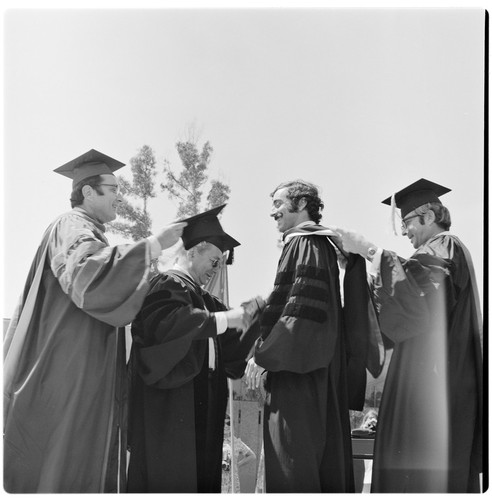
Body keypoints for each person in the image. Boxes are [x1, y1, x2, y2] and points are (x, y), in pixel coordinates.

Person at [3, 149, 186, 493]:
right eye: (113, 188)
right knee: (64, 462)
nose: (120, 196)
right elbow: (88, 275)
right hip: (67, 367)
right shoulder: (72, 224)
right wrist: (154, 245)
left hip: (78, 366)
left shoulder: (90, 230)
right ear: (89, 191)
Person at [328, 178, 483, 493]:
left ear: (428, 216)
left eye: (408, 223)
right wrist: (357, 267)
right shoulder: (434, 251)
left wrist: (370, 251)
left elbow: (419, 306)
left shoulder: (445, 246)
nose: (404, 232)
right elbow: (400, 307)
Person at [245, 179, 381, 493]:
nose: (273, 212)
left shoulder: (304, 244)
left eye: (278, 203)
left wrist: (263, 355)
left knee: (294, 464)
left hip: (298, 373)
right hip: (314, 370)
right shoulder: (318, 245)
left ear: (303, 204)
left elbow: (300, 312)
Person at [126, 205, 265, 493]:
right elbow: (167, 328)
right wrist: (225, 319)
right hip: (171, 406)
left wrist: (254, 316)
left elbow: (228, 343)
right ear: (192, 251)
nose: (215, 270)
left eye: (220, 264)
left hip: (203, 405)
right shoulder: (167, 284)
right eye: (213, 260)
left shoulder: (205, 300)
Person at [221, 415, 256, 493]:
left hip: (232, 479)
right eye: (223, 424)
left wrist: (238, 464)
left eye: (228, 423)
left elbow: (252, 456)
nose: (226, 426)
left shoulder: (236, 441)